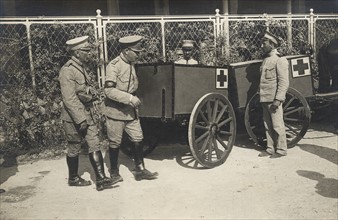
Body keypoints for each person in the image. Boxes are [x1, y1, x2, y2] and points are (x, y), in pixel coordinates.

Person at [59, 36, 114, 191]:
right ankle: (73, 178)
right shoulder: (67, 70)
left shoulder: (81, 67)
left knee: (94, 143)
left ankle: (101, 180)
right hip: (73, 117)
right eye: (86, 50)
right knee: (74, 147)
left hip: (86, 113)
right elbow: (69, 98)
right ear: (77, 53)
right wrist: (80, 119)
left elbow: (83, 90)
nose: (89, 53)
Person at [104, 35, 158, 181]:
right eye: (136, 52)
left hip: (130, 111)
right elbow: (109, 91)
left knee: (138, 138)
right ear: (127, 50)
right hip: (116, 111)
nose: (139, 55)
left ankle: (140, 169)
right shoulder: (114, 66)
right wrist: (129, 98)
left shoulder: (131, 63)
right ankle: (114, 172)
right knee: (115, 142)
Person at [258, 31, 289, 158]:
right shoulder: (266, 60)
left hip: (273, 99)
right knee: (267, 125)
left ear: (272, 44)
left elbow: (284, 82)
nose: (261, 46)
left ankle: (281, 150)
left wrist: (278, 99)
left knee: (277, 125)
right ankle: (270, 148)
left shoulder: (280, 60)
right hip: (264, 98)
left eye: (264, 43)